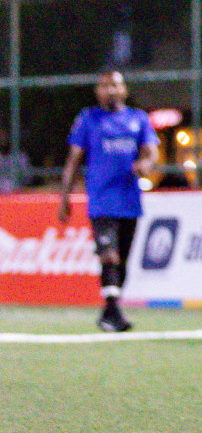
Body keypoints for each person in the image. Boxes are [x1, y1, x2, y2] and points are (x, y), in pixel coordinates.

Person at [58, 71, 158, 333]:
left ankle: (109, 311)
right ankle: (113, 314)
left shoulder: (138, 119)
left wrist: (145, 164)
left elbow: (152, 153)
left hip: (130, 201)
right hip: (102, 201)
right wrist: (64, 197)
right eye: (104, 85)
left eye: (115, 84)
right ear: (97, 91)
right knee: (109, 256)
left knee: (122, 261)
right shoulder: (88, 119)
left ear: (124, 89)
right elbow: (73, 160)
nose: (110, 90)